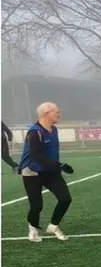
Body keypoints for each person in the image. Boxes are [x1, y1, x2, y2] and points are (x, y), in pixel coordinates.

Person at [17, 102, 75, 242]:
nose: (59, 114)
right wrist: (60, 165)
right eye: (56, 111)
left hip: (50, 171)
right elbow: (36, 155)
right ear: (46, 114)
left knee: (65, 199)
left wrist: (57, 166)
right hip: (32, 172)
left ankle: (53, 226)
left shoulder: (54, 129)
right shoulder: (35, 132)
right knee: (37, 206)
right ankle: (33, 230)